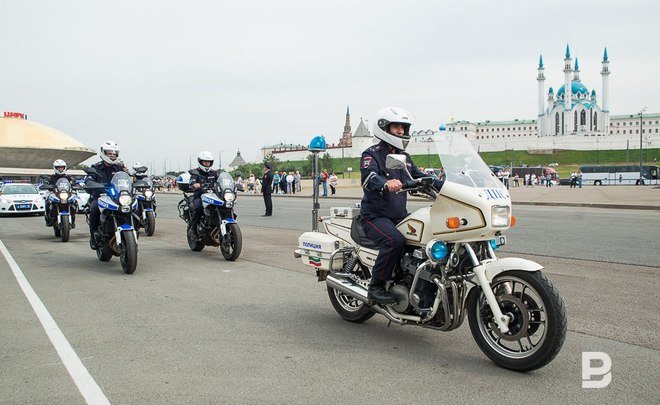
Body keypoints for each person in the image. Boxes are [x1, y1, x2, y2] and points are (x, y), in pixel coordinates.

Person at [360, 107, 444, 304]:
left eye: (403, 127)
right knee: (394, 240)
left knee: (429, 234)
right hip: (375, 216)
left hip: (399, 215)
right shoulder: (371, 154)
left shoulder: (403, 157)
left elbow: (420, 176)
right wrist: (385, 183)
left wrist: (448, 186)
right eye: (397, 127)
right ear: (384, 128)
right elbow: (369, 177)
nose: (401, 131)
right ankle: (376, 287)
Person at [86, 141, 127, 249]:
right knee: (94, 209)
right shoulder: (95, 168)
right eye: (109, 153)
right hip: (101, 196)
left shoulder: (120, 168)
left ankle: (133, 231)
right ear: (103, 153)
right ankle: (93, 236)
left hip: (118, 198)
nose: (112, 155)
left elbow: (128, 179)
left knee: (133, 208)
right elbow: (89, 179)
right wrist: (91, 183)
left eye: (115, 153)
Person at [188, 151, 219, 237]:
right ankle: (193, 229)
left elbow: (220, 181)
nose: (207, 163)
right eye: (205, 162)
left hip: (213, 196)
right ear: (200, 162)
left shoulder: (214, 173)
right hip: (199, 196)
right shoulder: (196, 172)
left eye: (208, 162)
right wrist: (194, 184)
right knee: (198, 207)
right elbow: (191, 182)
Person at [43, 159, 76, 228]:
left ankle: (73, 219)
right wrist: (47, 185)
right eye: (59, 167)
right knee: (48, 202)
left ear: (64, 168)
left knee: (74, 202)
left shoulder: (68, 177)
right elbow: (46, 183)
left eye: (62, 167)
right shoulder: (51, 177)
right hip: (55, 194)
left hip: (66, 194)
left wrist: (76, 185)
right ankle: (48, 219)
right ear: (55, 168)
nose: (60, 169)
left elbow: (74, 183)